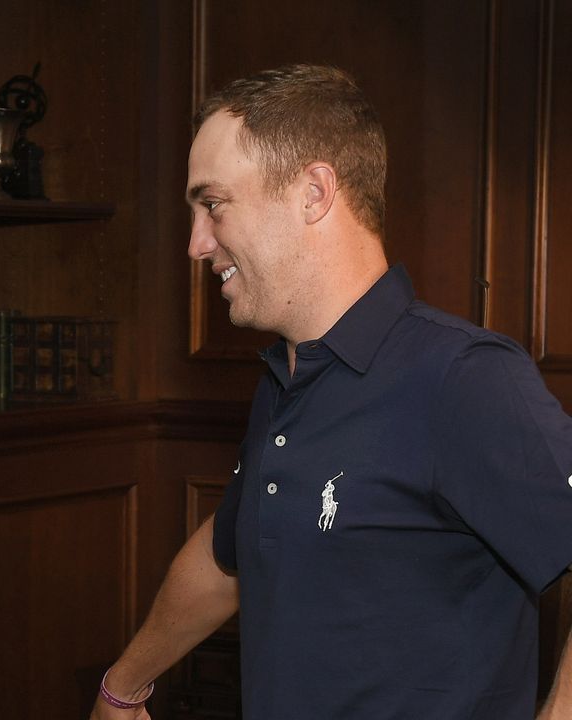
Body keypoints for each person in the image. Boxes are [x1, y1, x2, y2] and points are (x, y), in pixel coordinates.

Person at [92, 64, 572, 719]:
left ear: (314, 193)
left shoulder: (465, 378)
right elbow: (227, 553)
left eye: (213, 204)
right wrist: (125, 686)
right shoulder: (287, 379)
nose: (197, 244)